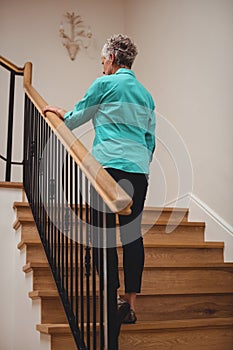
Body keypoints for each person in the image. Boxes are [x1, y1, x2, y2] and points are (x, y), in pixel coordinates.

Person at [43, 34, 156, 326]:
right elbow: (150, 139)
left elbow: (77, 117)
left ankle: (111, 296)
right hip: (138, 170)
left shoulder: (104, 84)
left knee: (101, 234)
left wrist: (60, 115)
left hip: (107, 170)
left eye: (103, 59)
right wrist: (140, 164)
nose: (102, 64)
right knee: (132, 235)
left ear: (112, 60)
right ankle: (130, 303)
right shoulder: (145, 94)